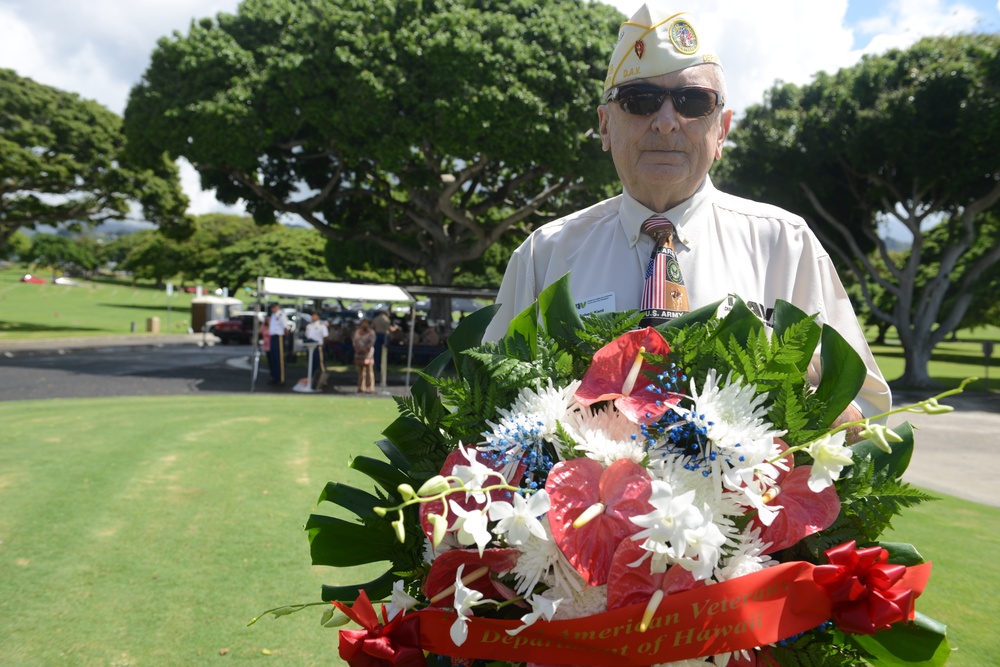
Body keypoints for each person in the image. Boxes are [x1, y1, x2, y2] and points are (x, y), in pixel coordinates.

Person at [483, 4, 890, 421]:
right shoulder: (544, 254)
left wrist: (797, 404)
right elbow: (485, 402)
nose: (665, 121)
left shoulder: (786, 245)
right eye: (639, 100)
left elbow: (866, 408)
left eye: (693, 101)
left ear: (722, 130)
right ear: (606, 126)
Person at [266, 303, 290, 386]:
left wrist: (286, 339)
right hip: (273, 336)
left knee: (279, 359)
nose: (273, 308)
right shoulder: (272, 315)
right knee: (273, 359)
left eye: (274, 307)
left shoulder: (281, 315)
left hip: (279, 336)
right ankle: (275, 377)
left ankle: (281, 378)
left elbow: (285, 328)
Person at [304, 311, 330, 389]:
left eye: (314, 316)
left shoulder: (321, 325)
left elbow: (325, 337)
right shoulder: (309, 326)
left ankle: (323, 380)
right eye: (312, 316)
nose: (313, 317)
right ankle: (313, 380)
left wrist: (323, 345)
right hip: (310, 346)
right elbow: (307, 336)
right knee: (311, 364)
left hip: (318, 346)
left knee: (320, 364)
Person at [352, 318, 377, 394]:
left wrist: (365, 349)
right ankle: (360, 387)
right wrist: (357, 349)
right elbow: (354, 341)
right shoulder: (358, 332)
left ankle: (370, 387)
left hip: (367, 353)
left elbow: (371, 342)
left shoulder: (371, 333)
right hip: (359, 353)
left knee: (369, 370)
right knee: (361, 371)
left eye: (366, 323)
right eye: (363, 323)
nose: (364, 325)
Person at [371, 309, 398, 376]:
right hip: (384, 335)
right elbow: (390, 329)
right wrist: (396, 327)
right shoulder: (386, 319)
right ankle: (383, 367)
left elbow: (372, 327)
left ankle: (377, 367)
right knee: (384, 352)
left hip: (377, 335)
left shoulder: (375, 319)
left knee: (377, 352)